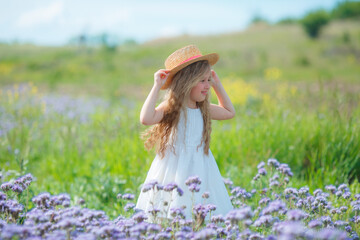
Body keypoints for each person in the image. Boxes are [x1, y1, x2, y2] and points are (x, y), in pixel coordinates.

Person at [135, 45, 235, 223]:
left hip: (201, 168)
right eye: (202, 81)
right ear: (187, 82)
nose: (207, 86)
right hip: (175, 169)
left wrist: (217, 84)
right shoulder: (173, 108)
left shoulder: (203, 109)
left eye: (208, 80)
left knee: (201, 210)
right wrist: (157, 86)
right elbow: (146, 118)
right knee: (173, 210)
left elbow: (229, 112)